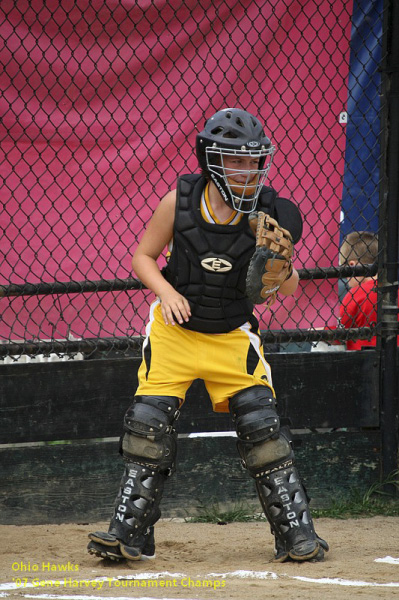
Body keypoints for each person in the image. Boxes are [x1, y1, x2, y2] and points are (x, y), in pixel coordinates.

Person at [87, 108, 328, 563]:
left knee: (263, 428)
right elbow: (143, 257)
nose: (248, 170)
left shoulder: (272, 212)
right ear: (211, 159)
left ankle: (296, 534)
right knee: (147, 425)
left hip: (231, 334)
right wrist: (166, 291)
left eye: (254, 161)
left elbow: (287, 289)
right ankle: (129, 534)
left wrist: (281, 268)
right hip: (176, 333)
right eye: (236, 160)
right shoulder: (178, 201)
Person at [339, 231, 379, 350]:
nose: (346, 278)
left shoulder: (356, 294)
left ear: (352, 266)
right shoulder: (394, 290)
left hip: (363, 363)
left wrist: (316, 330)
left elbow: (338, 334)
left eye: (343, 269)